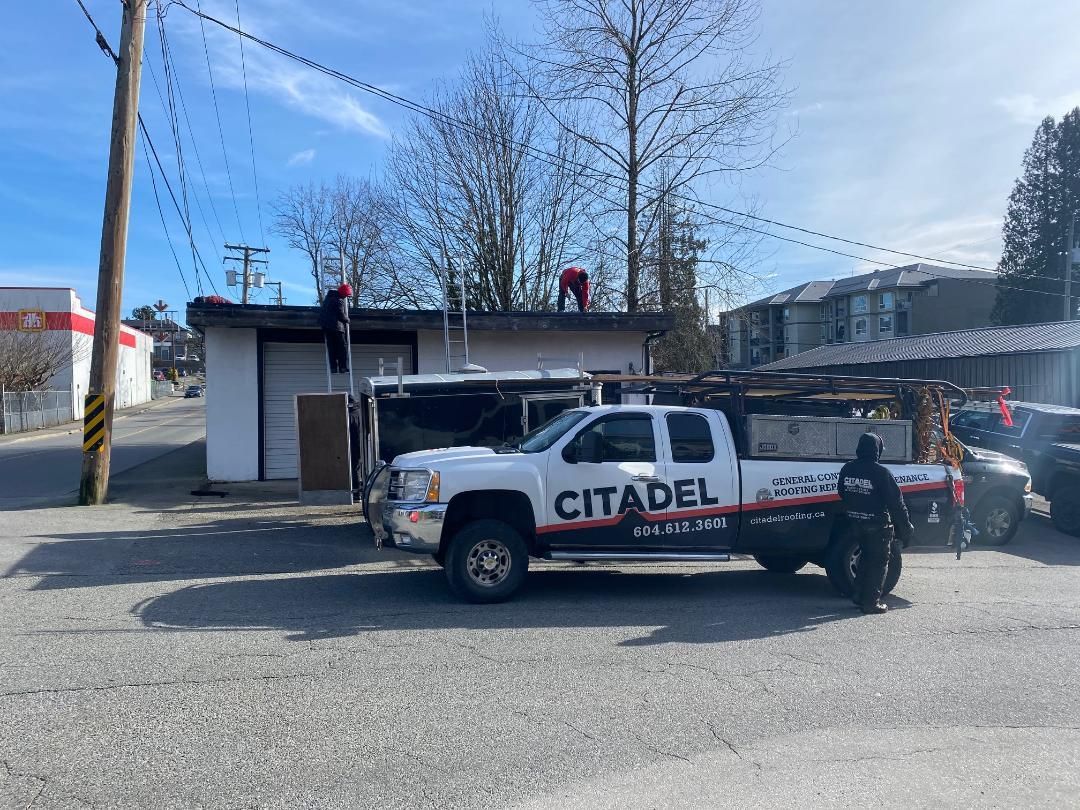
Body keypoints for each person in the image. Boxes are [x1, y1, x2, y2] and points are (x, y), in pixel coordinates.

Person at [836, 432, 914, 614]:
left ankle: (858, 595)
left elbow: (842, 492)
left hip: (855, 522)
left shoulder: (848, 468)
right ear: (877, 450)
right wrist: (906, 527)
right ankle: (871, 602)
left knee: (866, 558)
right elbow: (896, 503)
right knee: (878, 562)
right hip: (877, 525)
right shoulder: (881, 473)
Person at [319, 283, 352, 373]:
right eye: (346, 295)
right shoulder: (338, 300)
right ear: (343, 293)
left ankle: (333, 368)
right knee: (342, 347)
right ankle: (343, 367)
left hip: (326, 326)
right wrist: (347, 320)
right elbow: (340, 314)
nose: (346, 297)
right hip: (336, 327)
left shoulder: (328, 298)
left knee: (331, 347)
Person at [347, 394, 363, 497]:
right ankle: (360, 490)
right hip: (362, 444)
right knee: (358, 468)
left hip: (352, 445)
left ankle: (356, 493)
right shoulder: (360, 414)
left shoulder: (349, 416)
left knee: (353, 468)